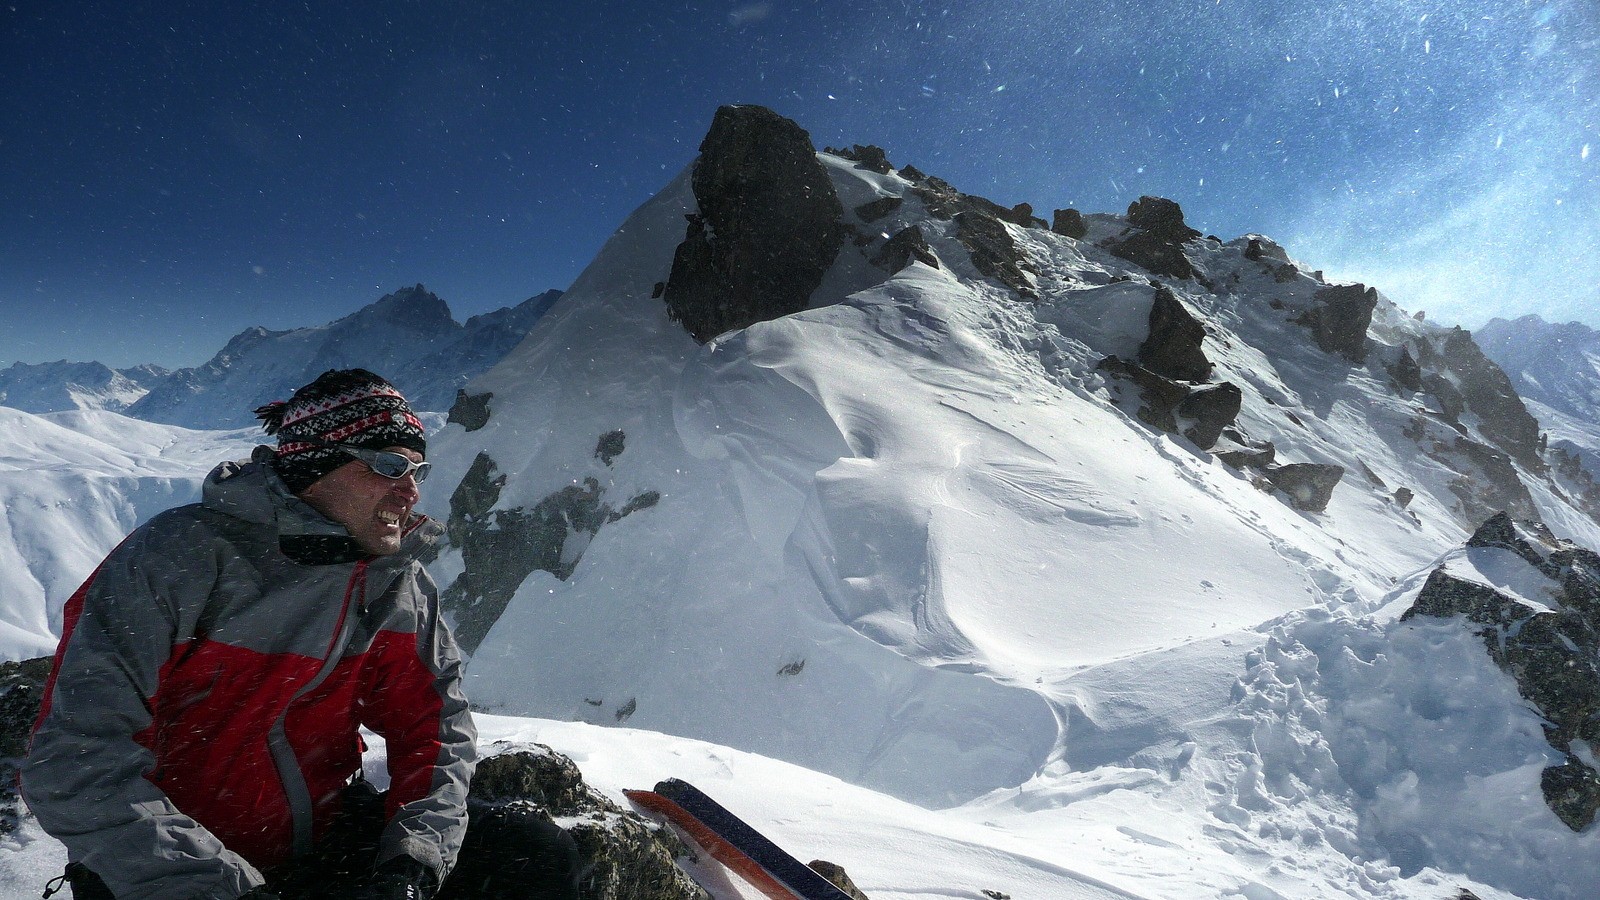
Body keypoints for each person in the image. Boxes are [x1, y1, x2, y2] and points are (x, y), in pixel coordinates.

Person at [21, 370, 580, 900]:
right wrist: (222, 887)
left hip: (323, 844)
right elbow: (73, 764)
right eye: (389, 466)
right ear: (317, 465)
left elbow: (435, 727)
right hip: (178, 867)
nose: (410, 492)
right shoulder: (176, 560)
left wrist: (412, 861)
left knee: (528, 850)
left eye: (417, 471)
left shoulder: (392, 581)